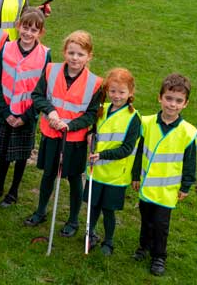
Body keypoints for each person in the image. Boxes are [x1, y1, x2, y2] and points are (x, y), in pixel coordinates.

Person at [24, 30, 102, 238]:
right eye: (71, 53)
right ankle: (41, 211)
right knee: (49, 174)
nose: (75, 58)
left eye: (80, 54)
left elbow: (92, 114)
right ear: (65, 52)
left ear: (89, 56)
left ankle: (73, 220)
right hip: (51, 133)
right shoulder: (51, 71)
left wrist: (72, 125)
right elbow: (37, 95)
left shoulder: (95, 83)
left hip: (74, 140)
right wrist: (50, 112)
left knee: (75, 178)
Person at [0, 8, 50, 208]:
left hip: (26, 116)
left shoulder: (45, 55)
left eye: (34, 30)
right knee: (2, 151)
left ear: (40, 33)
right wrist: (5, 112)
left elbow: (44, 90)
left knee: (20, 155)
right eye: (25, 28)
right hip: (6, 113)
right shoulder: (7, 48)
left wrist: (27, 116)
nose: (28, 33)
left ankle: (13, 192)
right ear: (18, 26)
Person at [131, 73, 197, 276]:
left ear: (185, 104)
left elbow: (190, 163)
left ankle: (159, 256)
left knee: (161, 225)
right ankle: (144, 246)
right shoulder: (148, 123)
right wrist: (135, 175)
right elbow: (139, 152)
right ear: (160, 98)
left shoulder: (188, 132)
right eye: (169, 98)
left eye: (178, 101)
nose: (172, 104)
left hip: (168, 190)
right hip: (147, 184)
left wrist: (186, 185)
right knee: (146, 219)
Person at [84, 68, 140, 256]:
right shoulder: (103, 109)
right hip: (96, 171)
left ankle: (108, 241)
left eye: (122, 92)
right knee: (93, 206)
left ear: (130, 93)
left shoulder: (133, 118)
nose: (116, 96)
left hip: (116, 175)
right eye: (113, 91)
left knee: (108, 210)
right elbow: (94, 129)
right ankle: (90, 234)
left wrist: (102, 155)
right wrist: (90, 135)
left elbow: (126, 149)